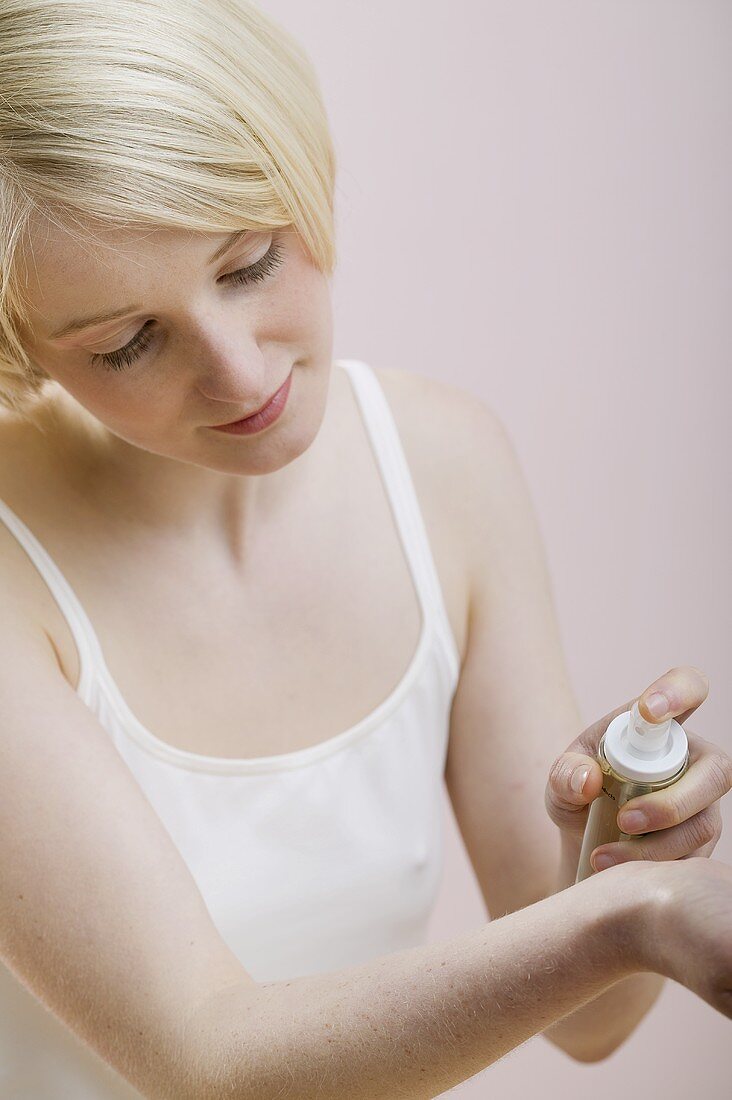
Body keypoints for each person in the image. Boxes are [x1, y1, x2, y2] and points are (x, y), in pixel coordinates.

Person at [1, 2, 730, 1097]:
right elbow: (207, 1055)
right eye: (128, 342)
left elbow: (591, 1022)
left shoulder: (445, 466)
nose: (243, 375)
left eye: (249, 263)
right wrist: (635, 915)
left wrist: (625, 851)